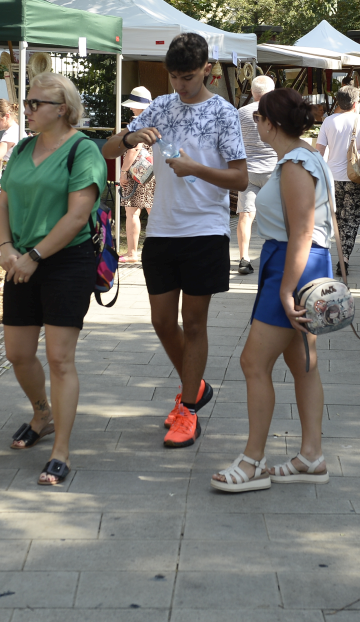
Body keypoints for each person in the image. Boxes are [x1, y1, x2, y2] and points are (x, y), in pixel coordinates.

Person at [101, 32, 248, 448]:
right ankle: (194, 387)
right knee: (162, 322)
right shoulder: (160, 107)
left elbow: (240, 178)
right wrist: (131, 138)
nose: (180, 86)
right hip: (163, 229)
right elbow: (108, 149)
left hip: (206, 230)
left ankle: (188, 409)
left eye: (188, 77)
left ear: (206, 70)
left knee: (194, 323)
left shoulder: (223, 113)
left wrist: (195, 168)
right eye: (174, 77)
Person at [211, 87, 332, 492]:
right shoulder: (303, 156)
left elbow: (302, 232)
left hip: (292, 265)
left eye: (259, 118)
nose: (256, 124)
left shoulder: (296, 163)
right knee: (303, 364)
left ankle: (253, 462)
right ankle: (311, 455)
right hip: (300, 264)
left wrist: (285, 289)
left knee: (253, 362)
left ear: (271, 123)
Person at [0, 73, 107, 486]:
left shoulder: (83, 150)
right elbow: (4, 199)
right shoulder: (23, 148)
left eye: (35, 103)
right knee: (17, 353)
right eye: (26, 102)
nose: (26, 110)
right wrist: (7, 247)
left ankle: (61, 450)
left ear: (62, 109)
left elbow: (77, 216)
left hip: (66, 261)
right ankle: (41, 412)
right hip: (21, 258)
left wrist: (35, 256)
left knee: (60, 358)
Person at [316, 85, 360, 271]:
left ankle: (323, 254)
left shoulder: (328, 122)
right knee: (351, 219)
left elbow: (319, 151)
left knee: (334, 218)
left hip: (332, 178)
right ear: (355, 103)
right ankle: (344, 258)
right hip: (356, 178)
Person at [235, 75, 279, 275]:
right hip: (273, 170)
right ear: (272, 92)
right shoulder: (278, 112)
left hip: (248, 171)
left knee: (246, 215)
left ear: (252, 92)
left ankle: (244, 259)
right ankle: (275, 257)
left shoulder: (241, 113)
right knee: (276, 215)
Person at [118, 87, 155, 262]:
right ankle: (158, 251)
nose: (131, 108)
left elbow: (134, 149)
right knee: (154, 211)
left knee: (132, 212)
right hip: (152, 169)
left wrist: (123, 171)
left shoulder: (138, 123)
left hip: (137, 172)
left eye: (133, 105)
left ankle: (132, 252)